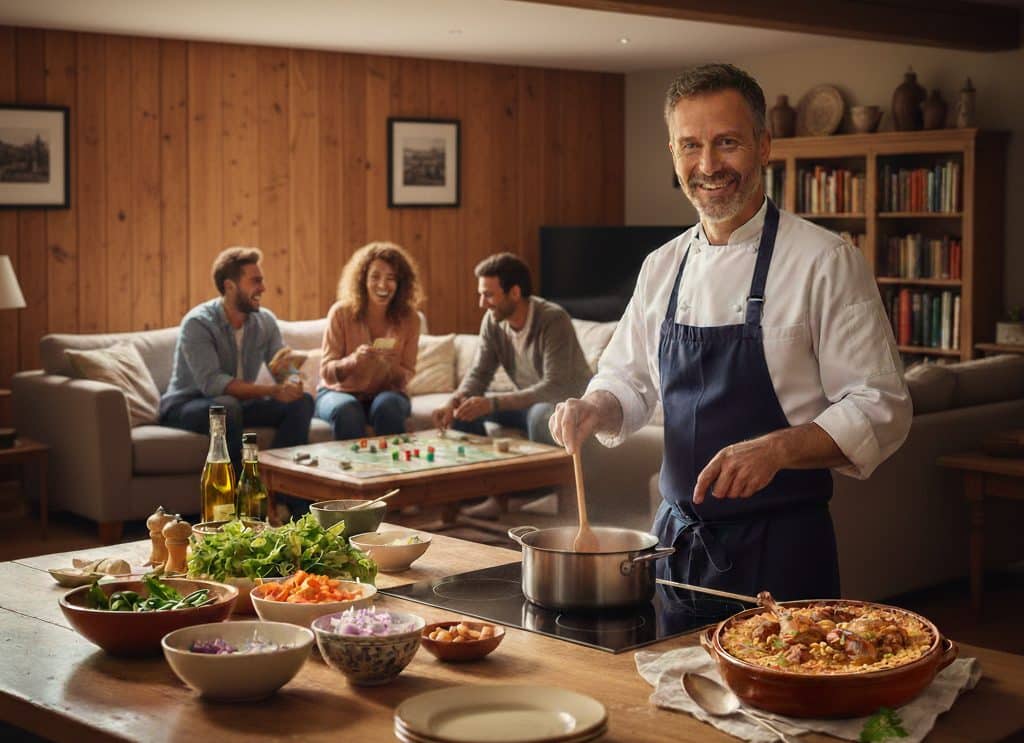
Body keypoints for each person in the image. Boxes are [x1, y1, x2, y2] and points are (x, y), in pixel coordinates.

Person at [548, 64, 912, 601]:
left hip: (782, 551)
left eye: (727, 142)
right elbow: (627, 378)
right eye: (690, 146)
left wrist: (778, 449)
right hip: (674, 551)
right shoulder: (661, 266)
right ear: (673, 153)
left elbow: (881, 404)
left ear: (763, 146)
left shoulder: (825, 261)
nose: (708, 165)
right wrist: (593, 408)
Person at [161, 247, 314, 476]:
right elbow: (213, 384)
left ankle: (278, 486)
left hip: (237, 404)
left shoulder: (265, 321)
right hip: (187, 404)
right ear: (229, 286)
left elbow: (281, 366)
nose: (263, 288)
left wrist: (293, 381)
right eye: (255, 281)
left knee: (302, 403)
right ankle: (242, 492)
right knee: (226, 407)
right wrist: (273, 391)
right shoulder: (198, 323)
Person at [433, 252, 592, 446]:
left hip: (564, 404)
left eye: (488, 295)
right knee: (464, 411)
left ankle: (546, 468)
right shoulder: (493, 321)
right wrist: (455, 401)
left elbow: (554, 387)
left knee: (539, 416)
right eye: (481, 295)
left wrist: (492, 403)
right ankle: (485, 464)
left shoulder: (554, 320)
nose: (482, 303)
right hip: (527, 405)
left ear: (515, 293)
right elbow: (479, 374)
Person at [316, 242, 422, 440]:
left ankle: (393, 462)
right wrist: (353, 361)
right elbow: (327, 373)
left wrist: (391, 366)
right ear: (362, 279)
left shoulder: (410, 319)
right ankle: (350, 463)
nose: (382, 285)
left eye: (391, 278)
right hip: (337, 393)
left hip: (388, 394)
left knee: (388, 407)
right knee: (348, 410)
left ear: (400, 284)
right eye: (375, 277)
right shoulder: (340, 313)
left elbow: (405, 377)